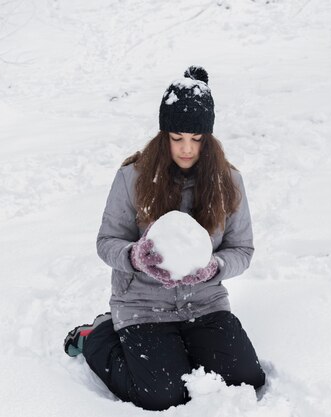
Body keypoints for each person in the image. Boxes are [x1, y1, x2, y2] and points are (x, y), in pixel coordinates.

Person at [63, 66, 266, 411]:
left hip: (204, 304)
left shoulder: (228, 182)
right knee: (162, 395)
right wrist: (135, 256)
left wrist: (215, 267)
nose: (187, 148)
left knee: (247, 379)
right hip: (143, 305)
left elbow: (242, 249)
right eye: (177, 138)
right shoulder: (133, 177)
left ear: (209, 138)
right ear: (163, 135)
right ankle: (96, 336)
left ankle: (182, 349)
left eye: (196, 139)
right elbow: (107, 241)